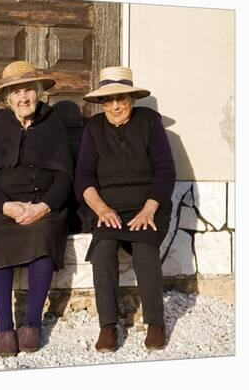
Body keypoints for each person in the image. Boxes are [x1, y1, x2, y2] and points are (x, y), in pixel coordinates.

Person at [74, 66, 176, 352]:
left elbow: (166, 171)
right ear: (102, 103)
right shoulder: (93, 128)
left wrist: (149, 210)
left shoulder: (149, 122)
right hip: (109, 208)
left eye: (122, 98)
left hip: (147, 205)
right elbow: (83, 176)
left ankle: (155, 321)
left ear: (132, 99)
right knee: (104, 249)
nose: (116, 105)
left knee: (144, 247)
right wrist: (102, 209)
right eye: (109, 100)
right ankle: (108, 326)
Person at [0, 61, 74, 357]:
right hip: (6, 206)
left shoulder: (53, 124)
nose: (23, 98)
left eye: (28, 91)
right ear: (7, 99)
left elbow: (65, 176)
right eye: (16, 93)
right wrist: (6, 206)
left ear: (38, 93)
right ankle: (5, 327)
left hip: (45, 204)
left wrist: (44, 207)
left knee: (43, 236)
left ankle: (32, 323)